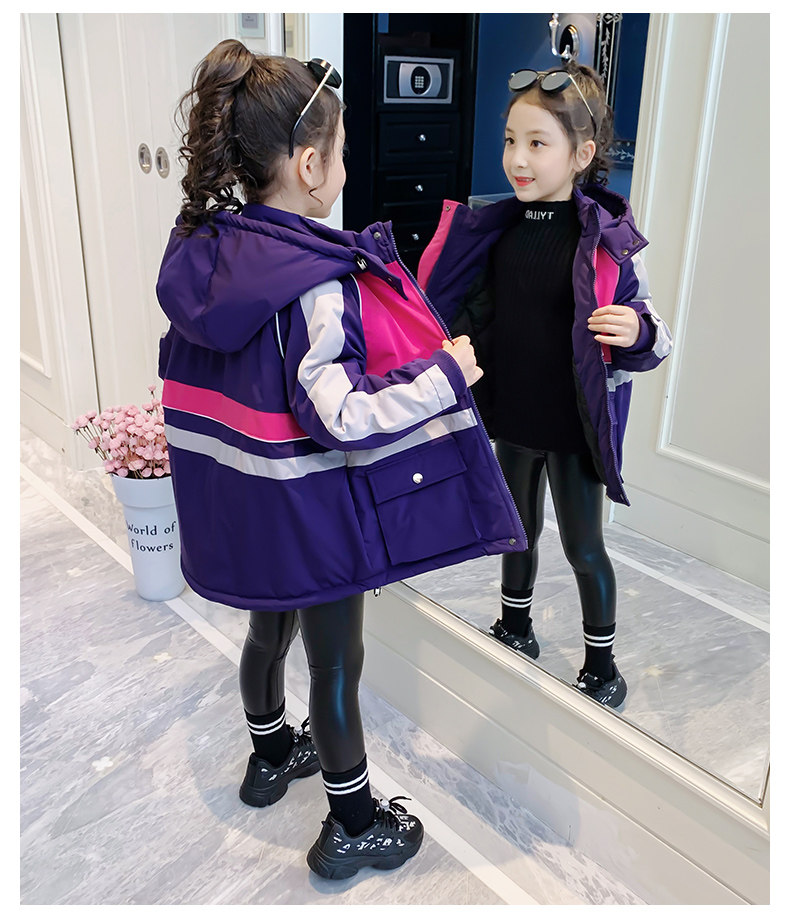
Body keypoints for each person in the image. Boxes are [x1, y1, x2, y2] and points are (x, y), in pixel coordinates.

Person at [155, 39, 526, 880]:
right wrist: (445, 375)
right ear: (312, 165)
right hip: (309, 512)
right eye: (345, 151)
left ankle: (268, 758)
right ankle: (353, 823)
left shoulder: (203, 255)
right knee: (334, 663)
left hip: (241, 505)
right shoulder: (316, 282)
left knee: (266, 633)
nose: (346, 168)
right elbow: (344, 416)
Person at [417, 62, 672, 709]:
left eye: (537, 143)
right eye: (510, 141)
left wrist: (636, 330)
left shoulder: (607, 242)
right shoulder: (496, 229)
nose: (517, 159)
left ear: (581, 155)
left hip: (574, 424)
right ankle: (516, 626)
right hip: (513, 415)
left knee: (585, 546)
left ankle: (602, 663)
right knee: (517, 531)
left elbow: (656, 334)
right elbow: (470, 309)